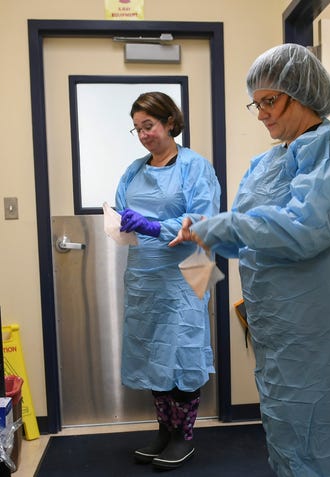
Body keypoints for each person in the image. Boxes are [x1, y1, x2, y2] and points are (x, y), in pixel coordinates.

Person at [170, 44, 330, 476]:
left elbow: (303, 228)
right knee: (286, 427)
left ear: (302, 92)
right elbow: (251, 236)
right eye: (257, 102)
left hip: (319, 320)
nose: (261, 113)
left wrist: (222, 227)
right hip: (277, 325)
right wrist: (205, 230)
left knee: (328, 432)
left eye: (270, 100)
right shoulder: (265, 163)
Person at [115, 91, 221, 470]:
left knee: (184, 349)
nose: (144, 134)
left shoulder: (195, 166)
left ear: (171, 123)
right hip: (145, 272)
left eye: (150, 126)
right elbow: (120, 208)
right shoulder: (134, 170)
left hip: (189, 267)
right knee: (153, 353)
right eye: (138, 128)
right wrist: (125, 222)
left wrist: (157, 226)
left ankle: (183, 436)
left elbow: (204, 217)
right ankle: (163, 430)